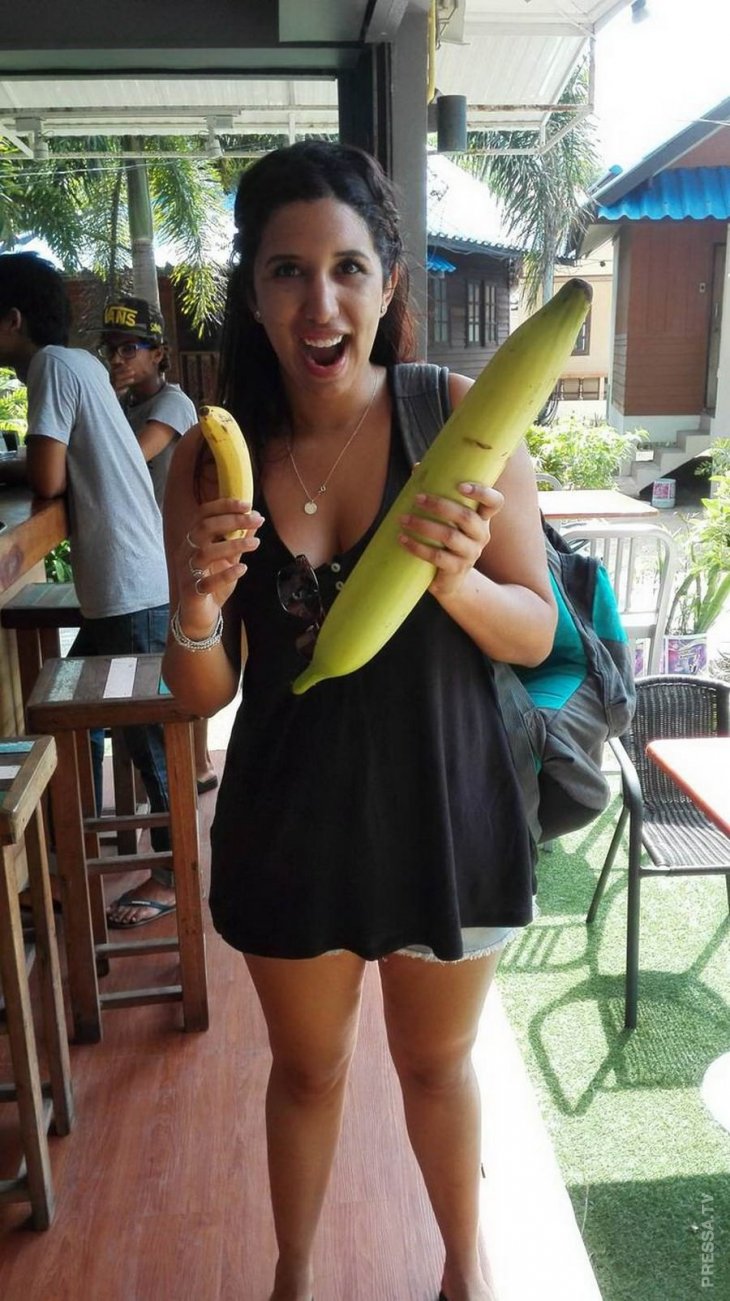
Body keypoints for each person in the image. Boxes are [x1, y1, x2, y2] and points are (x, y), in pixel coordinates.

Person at [161, 141, 557, 1301]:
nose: (319, 303)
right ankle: (292, 1276)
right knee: (306, 1070)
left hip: (446, 807)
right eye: (287, 271)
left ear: (389, 282)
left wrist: (458, 581)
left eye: (346, 268)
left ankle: (464, 1273)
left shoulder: (460, 422)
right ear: (252, 293)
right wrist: (195, 607)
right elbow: (204, 692)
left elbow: (537, 632)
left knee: (436, 1068)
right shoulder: (214, 460)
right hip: (290, 821)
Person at [0, 253, 175, 930]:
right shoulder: (80, 366)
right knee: (95, 725)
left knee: (146, 740)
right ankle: (62, 855)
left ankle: (171, 872)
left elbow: (47, 476)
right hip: (124, 582)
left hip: (128, 584)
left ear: (13, 320)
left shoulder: (51, 366)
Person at [97, 295, 218, 796]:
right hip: (150, 553)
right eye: (111, 349)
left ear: (159, 353)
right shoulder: (126, 406)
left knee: (187, 657)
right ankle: (189, 765)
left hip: (178, 551)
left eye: (131, 348)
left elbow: (126, 459)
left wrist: (101, 396)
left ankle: (197, 763)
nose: (119, 358)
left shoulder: (172, 404)